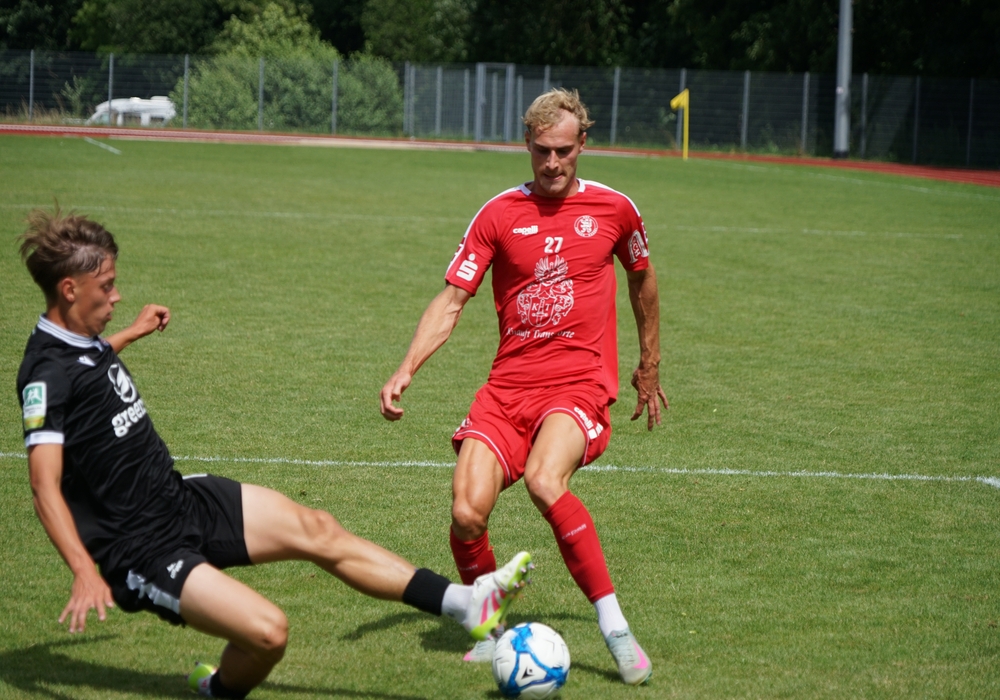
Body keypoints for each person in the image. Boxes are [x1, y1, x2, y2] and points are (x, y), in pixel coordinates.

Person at [16, 207, 533, 700]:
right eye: (106, 286)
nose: (117, 294)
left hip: (178, 499)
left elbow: (90, 365)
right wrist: (83, 569)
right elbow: (43, 486)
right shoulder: (45, 374)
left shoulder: (81, 340)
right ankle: (217, 689)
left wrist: (131, 333)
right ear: (70, 289)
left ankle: (467, 604)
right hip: (138, 549)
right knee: (269, 633)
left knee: (319, 528)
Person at [379, 88, 667, 685]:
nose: (552, 163)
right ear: (527, 144)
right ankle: (493, 632)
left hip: (578, 386)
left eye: (563, 150)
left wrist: (649, 365)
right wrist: (407, 367)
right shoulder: (498, 214)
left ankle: (615, 629)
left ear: (582, 143)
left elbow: (643, 281)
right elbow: (453, 300)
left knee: (543, 479)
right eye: (541, 151)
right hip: (507, 390)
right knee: (466, 511)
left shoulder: (616, 209)